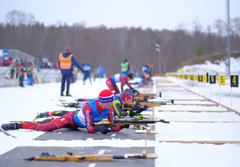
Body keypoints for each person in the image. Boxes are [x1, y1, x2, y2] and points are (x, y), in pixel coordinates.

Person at [1, 89, 124, 134]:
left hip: (77, 121)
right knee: (45, 127)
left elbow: (113, 126)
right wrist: (98, 128)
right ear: (103, 101)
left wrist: (122, 126)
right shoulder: (89, 107)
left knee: (63, 114)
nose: (112, 104)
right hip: (70, 120)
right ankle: (18, 124)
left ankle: (50, 117)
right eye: (110, 101)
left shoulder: (109, 108)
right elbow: (89, 129)